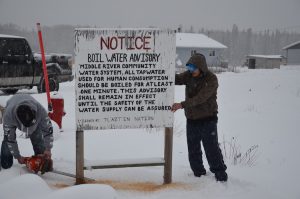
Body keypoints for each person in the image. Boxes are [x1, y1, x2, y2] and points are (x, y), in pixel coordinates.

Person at [171, 53, 228, 182]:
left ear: (201, 67)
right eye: (189, 68)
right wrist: (164, 71)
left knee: (211, 148)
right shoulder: (188, 75)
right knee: (193, 149)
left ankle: (220, 174)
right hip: (192, 119)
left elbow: (201, 98)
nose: (191, 71)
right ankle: (198, 173)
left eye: (193, 68)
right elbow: (176, 79)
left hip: (208, 119)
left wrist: (181, 105)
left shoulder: (211, 79)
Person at [1, 94, 53, 169]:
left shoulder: (40, 111)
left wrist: (48, 149)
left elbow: (48, 131)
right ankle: (6, 165)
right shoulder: (8, 116)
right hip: (12, 105)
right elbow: (10, 139)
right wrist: (18, 156)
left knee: (37, 136)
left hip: (33, 111)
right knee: (7, 140)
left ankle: (41, 160)